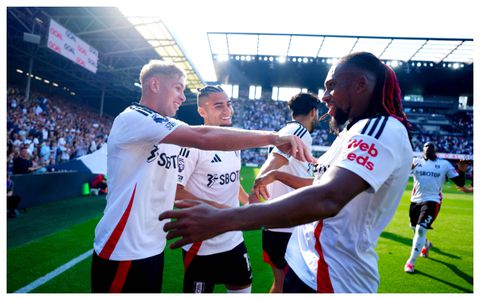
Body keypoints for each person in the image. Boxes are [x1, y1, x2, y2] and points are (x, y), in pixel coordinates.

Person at [160, 51, 413, 293]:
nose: (325, 96)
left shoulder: (381, 128)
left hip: (332, 278)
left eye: (332, 85)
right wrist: (273, 176)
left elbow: (327, 198)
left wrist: (225, 218)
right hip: (305, 265)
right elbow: (316, 186)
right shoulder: (349, 132)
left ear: (360, 84)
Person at [91, 60, 313, 293]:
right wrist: (273, 137)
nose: (181, 96)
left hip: (152, 245)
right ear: (155, 84)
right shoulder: (133, 118)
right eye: (178, 87)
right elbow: (203, 138)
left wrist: (245, 199)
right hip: (123, 246)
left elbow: (215, 138)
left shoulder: (170, 126)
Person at [175, 85, 252, 293]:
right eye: (219, 106)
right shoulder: (190, 144)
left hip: (234, 238)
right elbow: (175, 191)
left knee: (243, 289)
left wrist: (248, 202)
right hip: (202, 244)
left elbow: (232, 180)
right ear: (202, 112)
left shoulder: (234, 141)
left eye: (228, 104)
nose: (227, 110)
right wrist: (219, 208)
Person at [248, 92, 320, 293]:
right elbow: (274, 161)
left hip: (281, 223)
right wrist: (258, 185)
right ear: (313, 112)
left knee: (281, 284)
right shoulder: (298, 131)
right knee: (288, 286)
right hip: (287, 227)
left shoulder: (291, 130)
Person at [404, 142, 469, 273]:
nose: (427, 150)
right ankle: (427, 244)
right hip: (415, 201)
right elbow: (399, 176)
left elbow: (460, 183)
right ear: (422, 150)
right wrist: (406, 169)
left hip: (432, 201)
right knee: (413, 227)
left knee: (421, 229)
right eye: (425, 148)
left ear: (435, 150)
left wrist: (461, 172)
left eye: (430, 148)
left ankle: (410, 262)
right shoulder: (415, 161)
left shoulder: (444, 165)